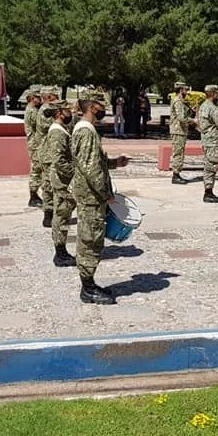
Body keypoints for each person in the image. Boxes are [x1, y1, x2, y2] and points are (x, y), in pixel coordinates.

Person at [71, 95, 129, 305]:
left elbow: (95, 162)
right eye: (102, 105)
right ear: (94, 107)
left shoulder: (85, 129)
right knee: (90, 239)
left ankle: (89, 283)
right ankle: (87, 288)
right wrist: (106, 193)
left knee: (92, 237)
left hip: (90, 195)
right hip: (91, 197)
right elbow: (90, 168)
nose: (105, 108)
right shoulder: (86, 131)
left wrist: (114, 163)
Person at [43, 100, 77, 268]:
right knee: (61, 215)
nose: (70, 112)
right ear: (58, 113)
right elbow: (59, 161)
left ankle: (61, 250)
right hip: (62, 180)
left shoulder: (61, 129)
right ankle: (60, 252)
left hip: (63, 179)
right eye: (67, 110)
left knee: (63, 214)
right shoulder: (56, 132)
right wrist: (75, 175)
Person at [32, 88, 59, 221]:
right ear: (49, 96)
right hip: (47, 152)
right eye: (55, 95)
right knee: (48, 183)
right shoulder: (45, 110)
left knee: (54, 183)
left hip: (52, 151)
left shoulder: (51, 109)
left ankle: (53, 211)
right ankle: (48, 213)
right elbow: (53, 125)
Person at [197, 84, 218, 203]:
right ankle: (208, 192)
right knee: (211, 166)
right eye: (217, 93)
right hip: (213, 140)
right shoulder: (213, 108)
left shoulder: (203, 106)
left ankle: (208, 190)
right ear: (213, 94)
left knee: (208, 164)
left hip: (206, 139)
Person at [169, 82, 195, 184]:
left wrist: (191, 111)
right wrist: (193, 121)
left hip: (181, 130)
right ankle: (175, 175)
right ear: (181, 90)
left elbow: (184, 114)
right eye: (186, 89)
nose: (187, 91)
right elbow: (181, 118)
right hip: (178, 130)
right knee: (178, 153)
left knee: (180, 152)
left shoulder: (181, 101)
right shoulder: (178, 101)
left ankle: (177, 173)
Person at [24, 88, 43, 207]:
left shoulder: (33, 110)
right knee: (36, 169)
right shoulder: (32, 111)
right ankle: (33, 195)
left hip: (35, 143)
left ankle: (34, 194)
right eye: (37, 97)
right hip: (35, 144)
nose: (39, 100)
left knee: (37, 168)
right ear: (31, 98)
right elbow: (40, 125)